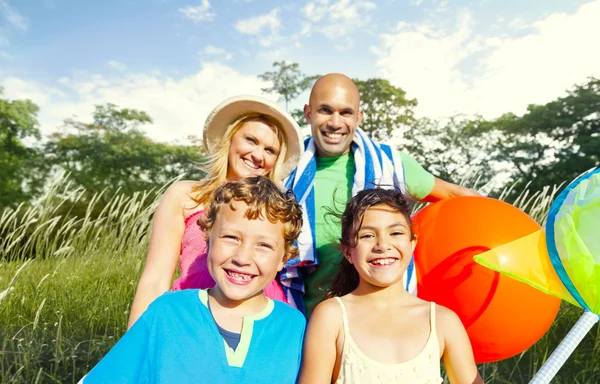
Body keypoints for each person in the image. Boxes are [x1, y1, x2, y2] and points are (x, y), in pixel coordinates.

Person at [280, 73, 480, 316]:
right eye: (325, 110)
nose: (335, 122)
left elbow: (455, 195)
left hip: (384, 324)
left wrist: (513, 236)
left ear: (359, 117)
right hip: (310, 322)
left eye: (345, 113)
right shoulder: (285, 172)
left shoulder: (391, 164)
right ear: (308, 113)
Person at [82, 177, 306, 383]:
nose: (242, 258)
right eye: (231, 237)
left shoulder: (294, 327)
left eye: (263, 245)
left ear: (283, 260)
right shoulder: (166, 312)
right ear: (207, 239)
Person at [128, 95, 302, 328]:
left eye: (270, 150)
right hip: (194, 314)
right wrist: (135, 346)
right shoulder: (186, 195)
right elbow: (155, 280)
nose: (258, 155)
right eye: (251, 140)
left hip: (259, 318)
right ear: (230, 140)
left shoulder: (277, 209)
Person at [298, 188, 483, 384]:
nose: (382, 245)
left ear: (412, 244)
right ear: (347, 251)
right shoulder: (331, 316)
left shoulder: (442, 321)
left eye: (395, 233)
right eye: (367, 236)